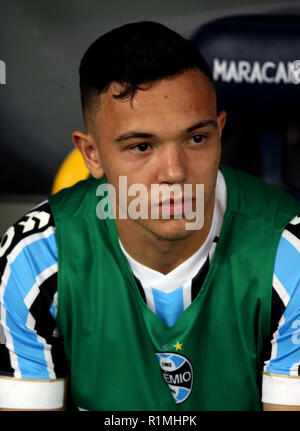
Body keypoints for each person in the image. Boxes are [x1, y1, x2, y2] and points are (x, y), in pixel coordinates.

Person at [0, 21, 300, 412]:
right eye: (141, 146)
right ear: (91, 154)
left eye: (196, 138)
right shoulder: (35, 260)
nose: (175, 172)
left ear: (220, 132)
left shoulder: (289, 253)